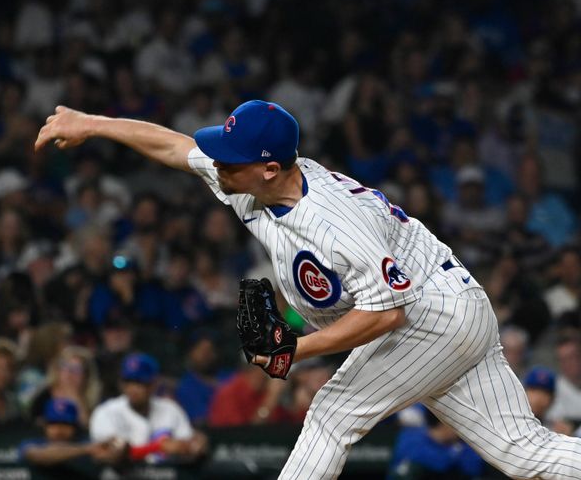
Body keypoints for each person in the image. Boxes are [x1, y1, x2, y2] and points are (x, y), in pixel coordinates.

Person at [36, 101, 581, 479]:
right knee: (522, 453)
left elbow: (386, 313)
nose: (217, 162)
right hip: (447, 306)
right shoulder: (253, 179)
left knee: (329, 416)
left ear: (269, 168)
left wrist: (292, 348)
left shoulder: (332, 223)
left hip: (429, 315)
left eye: (231, 157)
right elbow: (176, 147)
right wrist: (93, 123)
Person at [89, 353, 206, 464]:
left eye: (140, 383)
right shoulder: (106, 412)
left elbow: (188, 445)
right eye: (128, 382)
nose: (133, 388)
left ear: (153, 384)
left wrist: (193, 445)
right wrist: (158, 447)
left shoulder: (170, 409)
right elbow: (109, 454)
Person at [19, 398, 124, 468]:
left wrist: (114, 453)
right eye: (54, 423)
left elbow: (112, 458)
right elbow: (40, 455)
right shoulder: (32, 444)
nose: (59, 430)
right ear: (44, 425)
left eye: (65, 423)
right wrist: (86, 449)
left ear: (75, 426)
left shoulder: (85, 443)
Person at [387, 409, 484, 480]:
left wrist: (457, 448)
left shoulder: (462, 444)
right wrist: (454, 453)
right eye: (457, 426)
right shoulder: (411, 436)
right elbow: (437, 463)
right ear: (444, 423)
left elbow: (474, 469)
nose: (460, 431)